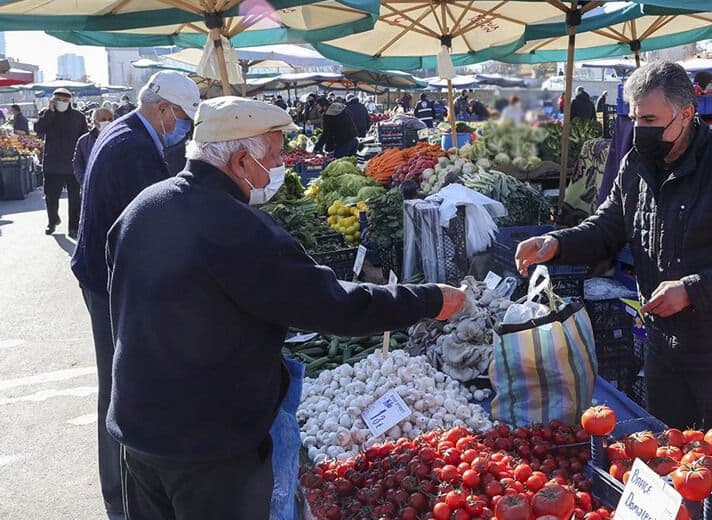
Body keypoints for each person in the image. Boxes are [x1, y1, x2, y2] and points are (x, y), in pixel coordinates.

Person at [105, 96, 466, 519]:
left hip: (138, 429)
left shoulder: (142, 208)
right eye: (274, 157)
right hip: (210, 448)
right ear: (241, 161)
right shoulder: (238, 228)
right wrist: (430, 299)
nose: (279, 168)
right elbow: (333, 305)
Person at [515, 61, 712, 432]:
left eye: (649, 120)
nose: (638, 131)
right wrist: (555, 243)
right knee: (667, 455)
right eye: (633, 119)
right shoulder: (636, 163)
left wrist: (693, 290)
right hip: (665, 345)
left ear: (686, 114)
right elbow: (606, 226)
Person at [70, 70, 200, 520]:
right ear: (163, 109)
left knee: (116, 385)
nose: (182, 129)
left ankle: (119, 496)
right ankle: (122, 501)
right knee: (120, 391)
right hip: (106, 284)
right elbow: (152, 223)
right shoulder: (133, 149)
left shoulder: (123, 132)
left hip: (98, 275)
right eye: (182, 118)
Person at [34, 88, 89, 237]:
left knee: (75, 198)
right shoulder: (47, 114)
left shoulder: (78, 117)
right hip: (52, 163)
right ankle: (52, 221)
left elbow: (85, 139)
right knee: (51, 196)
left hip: (73, 163)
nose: (62, 103)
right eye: (59, 100)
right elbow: (38, 129)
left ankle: (73, 227)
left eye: (65, 100)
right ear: (53, 100)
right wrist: (50, 112)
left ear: (70, 101)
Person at [72, 108, 113, 186]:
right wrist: (84, 180)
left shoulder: (120, 139)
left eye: (110, 119)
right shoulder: (83, 141)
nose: (107, 122)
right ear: (95, 122)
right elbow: (77, 163)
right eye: (103, 120)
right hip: (91, 187)